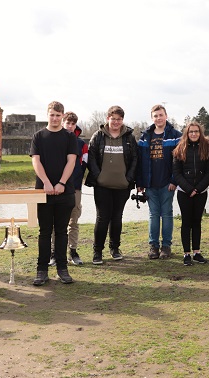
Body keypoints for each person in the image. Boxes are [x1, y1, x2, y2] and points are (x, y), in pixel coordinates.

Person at [29, 101, 78, 285]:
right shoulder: (38, 136)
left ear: (62, 116)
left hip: (65, 192)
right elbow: (36, 161)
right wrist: (47, 183)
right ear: (47, 114)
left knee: (61, 232)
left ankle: (62, 269)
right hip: (43, 192)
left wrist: (61, 183)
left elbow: (71, 161)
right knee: (44, 232)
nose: (55, 118)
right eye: (52, 115)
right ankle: (41, 270)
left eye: (58, 115)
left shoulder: (69, 137)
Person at [85, 106, 138, 265]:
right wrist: (98, 176)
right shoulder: (98, 136)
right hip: (102, 186)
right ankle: (97, 251)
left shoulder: (129, 137)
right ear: (108, 118)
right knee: (102, 218)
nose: (116, 122)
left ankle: (115, 248)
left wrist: (129, 178)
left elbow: (135, 159)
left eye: (119, 119)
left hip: (122, 186)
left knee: (117, 218)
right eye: (113, 118)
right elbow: (92, 158)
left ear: (122, 120)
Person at [136, 104, 182, 259]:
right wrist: (140, 182)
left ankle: (166, 246)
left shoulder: (176, 135)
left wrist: (174, 181)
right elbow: (140, 162)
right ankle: (153, 246)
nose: (158, 118)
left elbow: (180, 160)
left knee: (167, 214)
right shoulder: (145, 136)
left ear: (166, 116)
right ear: (152, 118)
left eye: (161, 115)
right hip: (150, 184)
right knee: (153, 215)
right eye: (155, 116)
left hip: (167, 184)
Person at [171, 122, 209, 266]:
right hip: (184, 192)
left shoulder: (207, 149)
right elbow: (176, 173)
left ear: (200, 133)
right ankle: (186, 253)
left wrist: (198, 188)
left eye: (196, 131)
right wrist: (189, 189)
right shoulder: (179, 149)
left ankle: (197, 252)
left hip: (201, 192)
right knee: (186, 222)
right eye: (191, 132)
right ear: (187, 134)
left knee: (197, 222)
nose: (194, 134)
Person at [62, 111, 88, 265]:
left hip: (75, 188)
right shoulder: (56, 140)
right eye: (68, 123)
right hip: (57, 188)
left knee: (74, 221)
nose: (70, 126)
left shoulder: (81, 144)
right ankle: (55, 252)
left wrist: (76, 180)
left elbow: (83, 165)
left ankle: (73, 251)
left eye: (73, 124)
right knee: (57, 223)